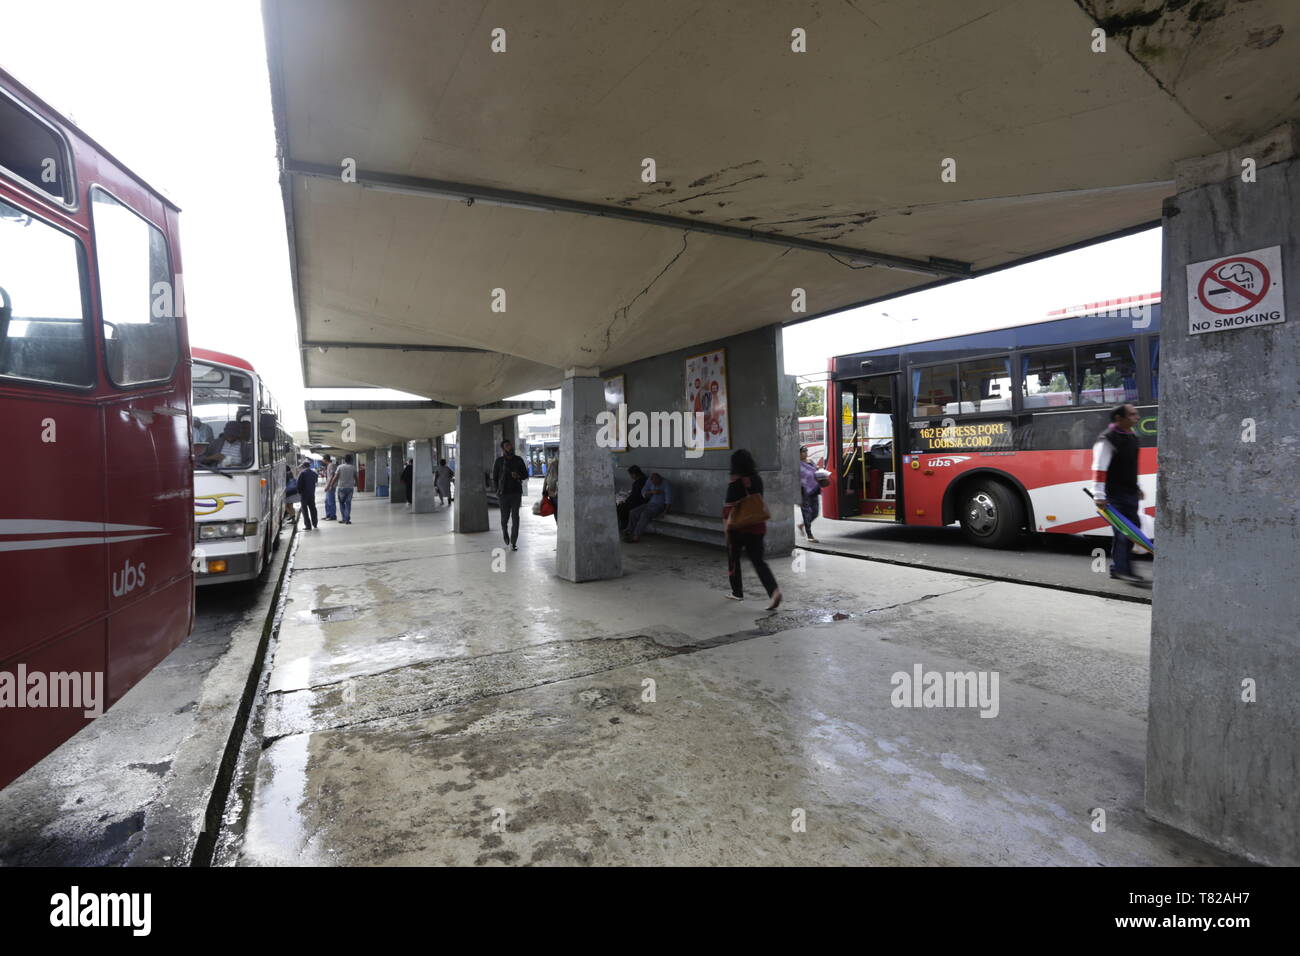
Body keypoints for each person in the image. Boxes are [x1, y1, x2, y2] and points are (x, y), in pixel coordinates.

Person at [1091, 402, 1146, 585]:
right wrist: (1098, 495)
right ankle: (1123, 570)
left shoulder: (1131, 436)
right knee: (1127, 531)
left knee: (1129, 530)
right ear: (1118, 418)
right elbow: (1099, 469)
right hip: (1115, 494)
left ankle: (1118, 568)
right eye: (1132, 414)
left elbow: (1129, 466)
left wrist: (1136, 487)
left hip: (1129, 492)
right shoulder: (1107, 439)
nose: (1136, 417)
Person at [723, 449, 781, 609]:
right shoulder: (757, 479)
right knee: (758, 561)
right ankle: (774, 591)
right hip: (757, 526)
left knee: (733, 559)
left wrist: (726, 531)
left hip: (738, 528)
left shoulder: (735, 482)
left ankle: (737, 592)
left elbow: (728, 509)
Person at [492, 439, 528, 550]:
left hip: (516, 493)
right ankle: (505, 533)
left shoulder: (518, 460)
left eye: (510, 445)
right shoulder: (499, 461)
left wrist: (518, 476)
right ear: (503, 448)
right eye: (507, 446)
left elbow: (525, 474)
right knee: (504, 518)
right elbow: (494, 478)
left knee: (515, 517)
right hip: (503, 494)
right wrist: (497, 491)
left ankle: (513, 542)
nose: (510, 447)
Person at [625, 472, 671, 542]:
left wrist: (665, 511)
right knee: (633, 512)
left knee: (645, 514)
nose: (655, 484)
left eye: (657, 483)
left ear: (660, 479)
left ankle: (636, 536)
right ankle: (630, 532)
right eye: (653, 483)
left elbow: (669, 500)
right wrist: (651, 492)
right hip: (649, 503)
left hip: (659, 506)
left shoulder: (666, 484)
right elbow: (643, 491)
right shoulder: (650, 481)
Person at [798, 445, 821, 542]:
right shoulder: (797, 464)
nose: (805, 453)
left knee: (815, 513)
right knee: (807, 513)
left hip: (814, 490)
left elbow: (816, 471)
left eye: (806, 451)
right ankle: (809, 535)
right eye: (803, 452)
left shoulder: (810, 462)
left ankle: (802, 525)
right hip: (803, 491)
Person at [616, 465, 647, 532]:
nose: (631, 476)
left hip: (640, 502)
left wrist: (625, 501)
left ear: (634, 474)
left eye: (631, 474)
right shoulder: (643, 480)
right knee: (622, 506)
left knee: (621, 507)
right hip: (640, 501)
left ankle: (625, 525)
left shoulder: (639, 482)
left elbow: (635, 496)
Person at [296, 459, 319, 531]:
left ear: (303, 466)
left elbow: (298, 485)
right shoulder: (314, 473)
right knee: (313, 508)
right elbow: (316, 481)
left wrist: (299, 492)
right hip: (312, 493)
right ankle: (315, 523)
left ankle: (308, 525)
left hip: (304, 494)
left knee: (305, 510)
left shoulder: (302, 473)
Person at [334, 454, 357, 524]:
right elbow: (356, 477)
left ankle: (344, 518)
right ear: (351, 460)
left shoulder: (340, 467)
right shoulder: (353, 468)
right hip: (350, 488)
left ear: (344, 460)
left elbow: (336, 477)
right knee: (348, 503)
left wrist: (331, 485)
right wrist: (358, 486)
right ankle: (347, 519)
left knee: (341, 503)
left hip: (341, 488)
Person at [542, 451, 559, 522]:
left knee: (556, 510)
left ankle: (558, 525)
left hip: (552, 491)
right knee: (557, 509)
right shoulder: (553, 463)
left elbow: (546, 477)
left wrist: (544, 489)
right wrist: (544, 489)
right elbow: (547, 476)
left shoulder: (552, 463)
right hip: (554, 491)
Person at [321, 455, 338, 521]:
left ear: (325, 459)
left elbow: (332, 476)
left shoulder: (331, 465)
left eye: (323, 459)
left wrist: (329, 486)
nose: (322, 460)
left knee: (331, 501)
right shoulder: (329, 465)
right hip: (329, 485)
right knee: (327, 501)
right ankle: (328, 515)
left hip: (331, 486)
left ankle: (332, 516)